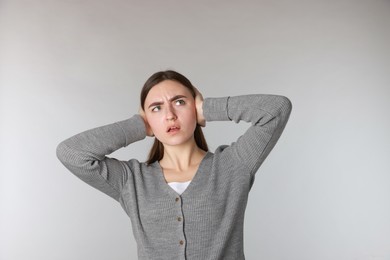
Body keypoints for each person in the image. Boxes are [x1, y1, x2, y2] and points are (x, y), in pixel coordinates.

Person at [56, 70, 292, 260]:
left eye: (179, 102)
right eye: (156, 108)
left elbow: (276, 109)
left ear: (194, 107)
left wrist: (207, 108)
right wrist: (138, 125)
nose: (169, 115)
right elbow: (71, 153)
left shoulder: (232, 166)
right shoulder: (132, 180)